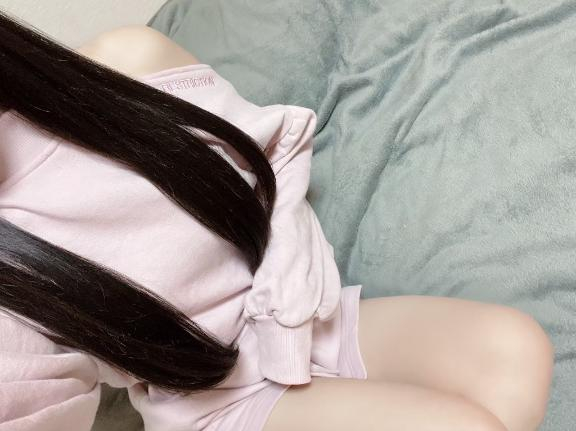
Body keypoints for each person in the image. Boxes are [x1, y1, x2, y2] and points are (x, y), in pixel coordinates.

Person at [0, 12, 554, 431]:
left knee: (515, 348)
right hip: (212, 402)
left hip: (299, 316)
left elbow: (272, 159)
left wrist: (284, 305)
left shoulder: (126, 66)